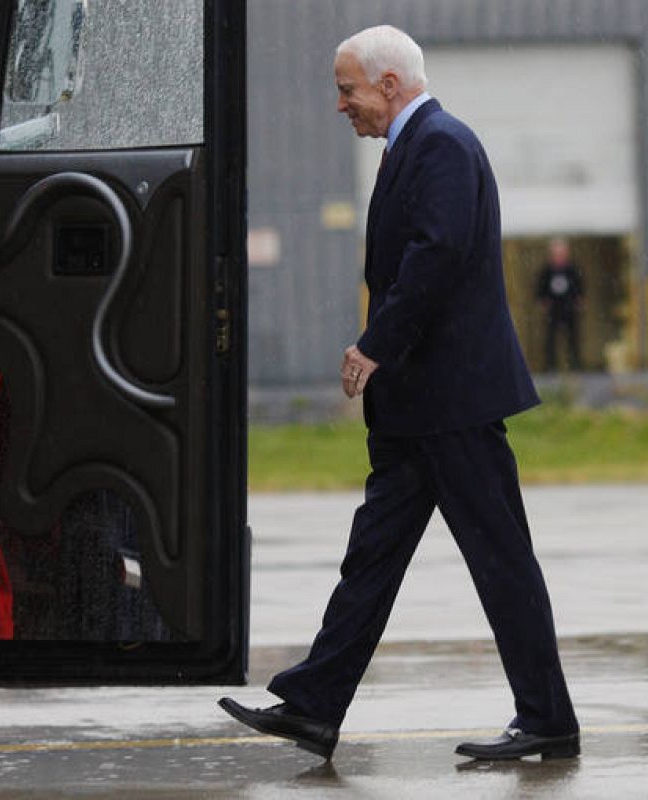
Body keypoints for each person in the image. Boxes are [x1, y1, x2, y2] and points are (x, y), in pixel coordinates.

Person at [219, 25, 579, 762]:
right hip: (417, 408)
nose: (340, 105)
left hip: (452, 404)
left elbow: (435, 256)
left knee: (500, 560)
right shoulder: (411, 146)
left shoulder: (441, 143)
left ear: (388, 84)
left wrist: (374, 345)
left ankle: (547, 718)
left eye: (346, 89)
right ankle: (314, 705)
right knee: (373, 556)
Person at [537, 238, 584, 371]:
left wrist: (579, 299)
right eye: (557, 253)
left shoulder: (572, 269)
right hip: (553, 309)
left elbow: (579, 286)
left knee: (573, 337)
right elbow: (540, 288)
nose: (559, 256)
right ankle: (551, 365)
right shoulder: (547, 270)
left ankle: (575, 364)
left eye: (562, 253)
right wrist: (542, 300)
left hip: (569, 308)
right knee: (550, 338)